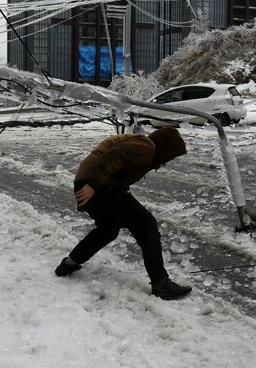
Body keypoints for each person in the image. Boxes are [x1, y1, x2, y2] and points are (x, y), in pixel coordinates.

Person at [55, 126, 192, 300]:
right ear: (165, 147)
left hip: (91, 183)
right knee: (146, 222)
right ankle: (160, 283)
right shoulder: (147, 146)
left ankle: (68, 264)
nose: (166, 161)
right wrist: (93, 186)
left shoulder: (143, 146)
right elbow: (113, 157)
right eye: (170, 156)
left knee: (107, 229)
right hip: (97, 184)